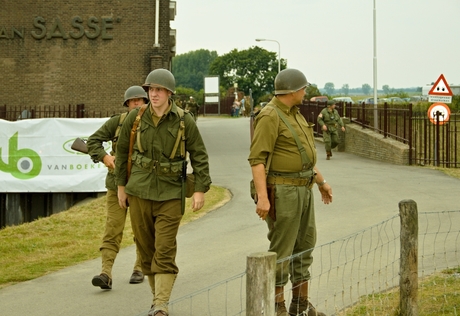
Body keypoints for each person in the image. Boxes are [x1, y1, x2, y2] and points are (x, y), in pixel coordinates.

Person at [115, 69, 211, 316]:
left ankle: (161, 305)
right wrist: (121, 188)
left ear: (169, 92)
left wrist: (200, 190)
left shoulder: (183, 120)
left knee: (165, 249)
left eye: (158, 89)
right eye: (150, 89)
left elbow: (199, 155)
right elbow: (122, 153)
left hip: (170, 193)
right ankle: (156, 298)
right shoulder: (134, 119)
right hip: (139, 192)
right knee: (146, 250)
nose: (153, 94)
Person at [248, 68, 333, 316]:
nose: (306, 92)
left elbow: (304, 157)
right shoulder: (270, 116)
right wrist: (263, 197)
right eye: (304, 88)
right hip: (283, 192)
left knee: (305, 245)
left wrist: (321, 182)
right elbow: (257, 160)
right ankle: (278, 307)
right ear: (293, 91)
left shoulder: (295, 114)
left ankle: (301, 306)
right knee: (282, 250)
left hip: (303, 188)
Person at [87, 86, 149, 290]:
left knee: (141, 229)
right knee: (112, 228)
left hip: (142, 187)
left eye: (141, 100)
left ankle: (140, 268)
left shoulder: (153, 124)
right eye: (133, 101)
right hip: (116, 185)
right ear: (127, 104)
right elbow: (93, 141)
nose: (137, 104)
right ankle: (105, 272)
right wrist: (105, 157)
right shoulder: (118, 122)